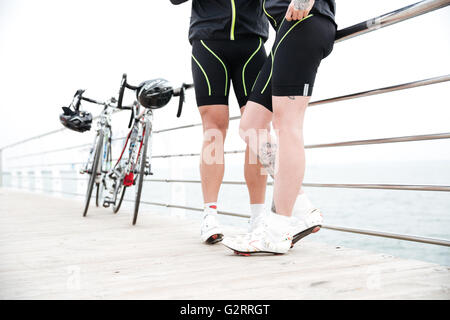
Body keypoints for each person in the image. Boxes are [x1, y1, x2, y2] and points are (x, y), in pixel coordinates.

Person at [222, 0, 337, 254]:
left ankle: (277, 232)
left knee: (288, 125)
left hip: (304, 20)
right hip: (286, 30)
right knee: (250, 125)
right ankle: (302, 207)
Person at [169, 0, 270, 244]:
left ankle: (258, 217)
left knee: (258, 129)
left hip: (252, 41)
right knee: (214, 128)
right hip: (208, 41)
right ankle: (210, 215)